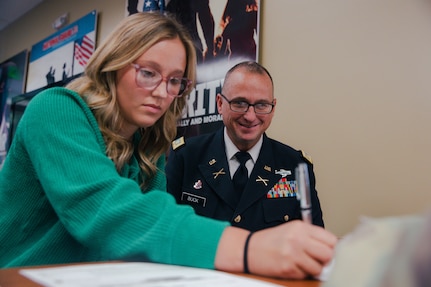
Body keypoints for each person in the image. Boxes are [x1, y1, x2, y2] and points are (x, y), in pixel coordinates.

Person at [0, 12, 337, 279]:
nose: (163, 92)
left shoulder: (147, 145)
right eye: (148, 72)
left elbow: (150, 232)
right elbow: (110, 214)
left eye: (175, 80)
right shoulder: (57, 108)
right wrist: (250, 247)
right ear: (113, 63)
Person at [166, 61, 325, 232]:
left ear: (273, 108)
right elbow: (165, 229)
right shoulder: (186, 157)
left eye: (262, 105)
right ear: (220, 103)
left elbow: (312, 240)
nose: (250, 116)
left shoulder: (295, 166)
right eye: (240, 103)